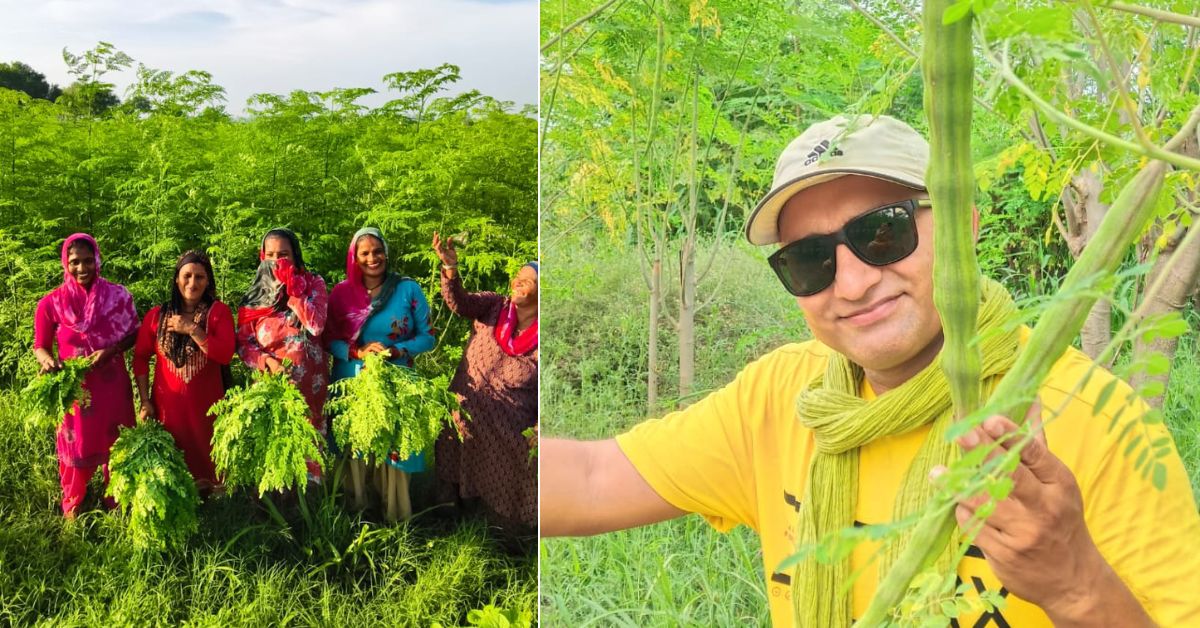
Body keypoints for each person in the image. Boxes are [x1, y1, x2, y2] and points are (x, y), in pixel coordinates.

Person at [541, 115, 1200, 626]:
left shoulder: (1096, 420)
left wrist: (1074, 581)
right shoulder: (782, 397)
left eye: (882, 233)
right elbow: (595, 479)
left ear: (963, 223)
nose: (852, 284)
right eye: (809, 259)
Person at [432, 232, 538, 534]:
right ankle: (449, 521)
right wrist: (450, 268)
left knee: (505, 487)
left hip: (510, 427)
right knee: (453, 460)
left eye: (528, 280)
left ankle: (502, 533)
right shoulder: (493, 306)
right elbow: (459, 303)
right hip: (465, 408)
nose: (518, 282)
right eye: (518, 277)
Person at [327, 227, 436, 518]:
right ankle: (356, 511)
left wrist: (398, 350)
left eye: (378, 251)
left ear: (386, 252)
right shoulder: (340, 293)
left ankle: (395, 515)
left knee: (394, 445)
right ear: (354, 257)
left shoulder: (407, 289)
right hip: (353, 379)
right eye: (365, 253)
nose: (373, 258)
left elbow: (428, 336)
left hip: (397, 379)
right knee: (355, 444)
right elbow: (328, 339)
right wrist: (357, 352)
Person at [32, 233, 138, 518]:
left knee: (117, 445)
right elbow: (40, 347)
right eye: (75, 262)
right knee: (75, 445)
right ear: (65, 263)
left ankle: (116, 501)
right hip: (75, 390)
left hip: (112, 386)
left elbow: (134, 334)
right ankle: (73, 505)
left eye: (88, 261)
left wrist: (111, 350)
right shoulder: (51, 303)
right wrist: (48, 361)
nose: (82, 268)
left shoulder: (118, 296)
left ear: (98, 260)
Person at [132, 250, 235, 494]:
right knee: (174, 460)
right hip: (168, 408)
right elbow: (140, 357)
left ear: (208, 281)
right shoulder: (157, 316)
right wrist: (145, 400)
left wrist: (191, 329)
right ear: (176, 279)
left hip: (207, 407)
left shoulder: (218, 313)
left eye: (199, 277)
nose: (192, 283)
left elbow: (224, 354)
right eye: (186, 276)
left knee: (209, 454)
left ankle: (217, 496)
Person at [236, 228, 330, 477]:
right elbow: (244, 343)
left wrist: (294, 291)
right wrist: (265, 361)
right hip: (271, 386)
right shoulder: (255, 296)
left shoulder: (313, 284)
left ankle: (312, 509)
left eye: (284, 254)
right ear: (262, 256)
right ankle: (274, 509)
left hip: (311, 388)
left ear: (296, 255)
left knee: (310, 451)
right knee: (274, 451)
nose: (277, 261)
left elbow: (316, 325)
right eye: (271, 254)